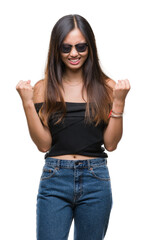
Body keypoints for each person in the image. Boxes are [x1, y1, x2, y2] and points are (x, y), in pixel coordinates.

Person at [16, 14, 130, 240]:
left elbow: (111, 144)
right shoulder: (43, 88)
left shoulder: (107, 88)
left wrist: (119, 102)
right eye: (66, 47)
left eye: (80, 46)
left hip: (96, 178)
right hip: (55, 178)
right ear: (56, 49)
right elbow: (43, 144)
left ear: (90, 47)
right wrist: (27, 103)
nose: (74, 53)